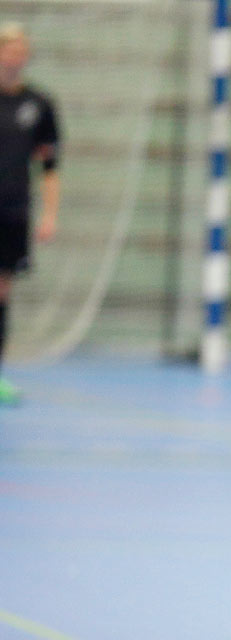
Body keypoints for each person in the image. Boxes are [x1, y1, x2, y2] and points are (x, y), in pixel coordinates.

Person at [0, 22, 61, 406]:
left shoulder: (39, 104)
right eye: (10, 46)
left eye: (22, 47)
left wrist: (49, 214)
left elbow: (51, 166)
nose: (16, 53)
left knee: (2, 291)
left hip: (12, 210)